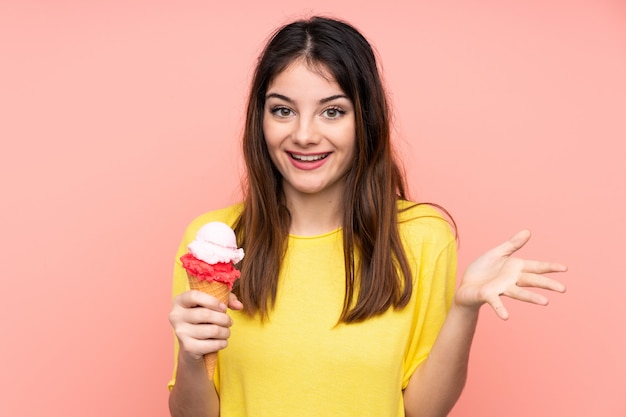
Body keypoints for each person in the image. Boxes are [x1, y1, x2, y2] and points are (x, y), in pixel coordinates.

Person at [167, 16, 567, 417]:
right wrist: (190, 355)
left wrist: (464, 309)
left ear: (365, 119)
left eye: (332, 112)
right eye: (283, 110)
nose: (304, 134)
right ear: (261, 119)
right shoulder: (216, 242)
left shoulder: (421, 237)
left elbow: (423, 411)